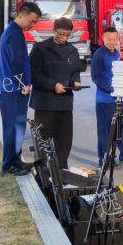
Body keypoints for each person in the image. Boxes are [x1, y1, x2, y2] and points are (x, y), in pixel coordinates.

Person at [30, 17, 82, 169]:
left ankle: (62, 171)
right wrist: (53, 85)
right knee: (42, 143)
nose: (64, 38)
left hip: (65, 105)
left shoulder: (72, 51)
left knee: (64, 143)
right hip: (45, 104)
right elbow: (33, 74)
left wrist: (76, 81)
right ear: (53, 30)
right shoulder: (40, 48)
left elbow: (75, 71)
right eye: (61, 34)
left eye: (67, 35)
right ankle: (42, 172)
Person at [0, 2, 40, 175]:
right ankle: (8, 165)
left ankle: (16, 160)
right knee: (12, 128)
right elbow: (16, 62)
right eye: (31, 21)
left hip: (13, 89)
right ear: (21, 15)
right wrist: (24, 84)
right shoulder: (14, 34)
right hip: (13, 90)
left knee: (17, 128)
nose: (33, 25)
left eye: (35, 22)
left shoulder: (14, 31)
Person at [91, 26, 123, 163]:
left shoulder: (116, 53)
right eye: (109, 39)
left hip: (117, 98)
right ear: (103, 38)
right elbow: (96, 77)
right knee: (105, 131)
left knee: (122, 126)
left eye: (114, 39)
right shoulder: (99, 55)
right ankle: (105, 159)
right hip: (104, 100)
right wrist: (112, 89)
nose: (112, 42)